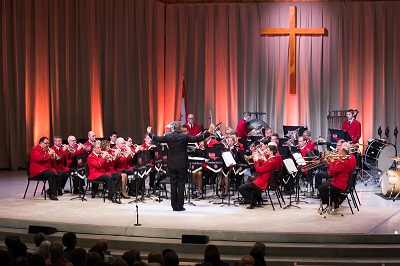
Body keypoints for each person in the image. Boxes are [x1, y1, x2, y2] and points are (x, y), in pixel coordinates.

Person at [147, 122, 212, 211]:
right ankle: (180, 206)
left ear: (173, 128)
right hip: (182, 164)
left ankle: (174, 206)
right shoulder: (184, 136)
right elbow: (198, 138)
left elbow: (157, 138)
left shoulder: (168, 136)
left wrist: (149, 132)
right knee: (181, 185)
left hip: (172, 164)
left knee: (173, 184)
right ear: (180, 128)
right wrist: (209, 131)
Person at [238, 140, 282, 209]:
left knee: (241, 188)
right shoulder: (273, 159)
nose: (266, 151)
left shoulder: (271, 161)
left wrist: (256, 161)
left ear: (271, 152)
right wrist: (260, 160)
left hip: (263, 181)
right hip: (264, 179)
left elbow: (259, 170)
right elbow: (264, 167)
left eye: (268, 149)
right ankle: (256, 200)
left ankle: (254, 201)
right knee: (249, 182)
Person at [318, 142, 357, 212]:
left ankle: (331, 204)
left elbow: (332, 171)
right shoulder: (351, 158)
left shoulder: (344, 162)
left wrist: (333, 161)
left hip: (339, 184)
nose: (338, 150)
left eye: (340, 149)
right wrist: (328, 162)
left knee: (321, 188)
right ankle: (334, 202)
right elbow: (332, 168)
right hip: (343, 182)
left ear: (343, 150)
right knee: (327, 182)